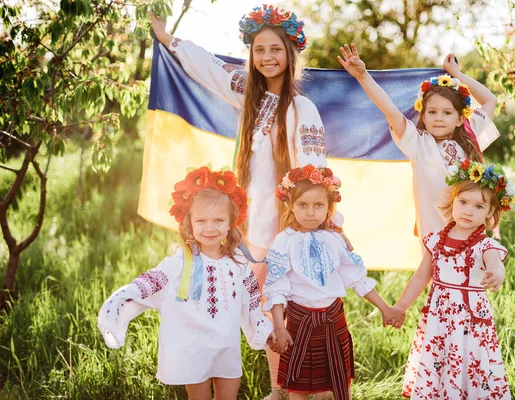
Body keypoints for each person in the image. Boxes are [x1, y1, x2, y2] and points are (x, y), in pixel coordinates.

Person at [149, 7, 333, 397]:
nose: (267, 57)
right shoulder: (247, 97)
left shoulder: (304, 110)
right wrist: (168, 39)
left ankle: (295, 385)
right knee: (260, 304)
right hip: (249, 228)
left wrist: (316, 223)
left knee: (285, 305)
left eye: (275, 50)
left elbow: (316, 172)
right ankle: (274, 385)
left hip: (286, 227)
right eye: (259, 49)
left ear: (290, 53)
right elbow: (210, 69)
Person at [98, 166, 275, 400]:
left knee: (228, 393)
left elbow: (251, 301)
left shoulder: (239, 262)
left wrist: (265, 330)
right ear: (189, 223)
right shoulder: (180, 262)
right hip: (194, 347)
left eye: (218, 220)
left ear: (231, 223)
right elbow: (150, 283)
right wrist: (120, 304)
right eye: (201, 220)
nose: (210, 228)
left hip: (226, 345)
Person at [262, 164, 404, 400]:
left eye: (318, 205)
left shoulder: (334, 240)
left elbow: (357, 278)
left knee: (339, 380)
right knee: (298, 386)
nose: (310, 213)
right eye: (303, 205)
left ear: (329, 208)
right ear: (290, 205)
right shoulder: (284, 241)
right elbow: (276, 287)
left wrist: (385, 308)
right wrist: (279, 326)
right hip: (299, 321)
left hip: (333, 319)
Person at [337, 44, 500, 240]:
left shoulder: (469, 137)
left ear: (459, 118)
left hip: (471, 238)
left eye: (447, 112)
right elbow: (389, 108)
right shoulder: (418, 144)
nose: (438, 118)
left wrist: (457, 75)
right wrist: (362, 76)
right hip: (436, 239)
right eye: (432, 112)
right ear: (423, 114)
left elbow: (490, 100)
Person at [390, 160, 515, 398]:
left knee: (469, 361)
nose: (468, 210)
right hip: (439, 318)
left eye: (479, 206)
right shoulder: (436, 239)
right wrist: (400, 307)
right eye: (463, 202)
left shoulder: (485, 244)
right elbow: (420, 277)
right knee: (439, 360)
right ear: (453, 201)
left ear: (490, 212)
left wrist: (497, 275)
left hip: (469, 320)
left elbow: (496, 265)